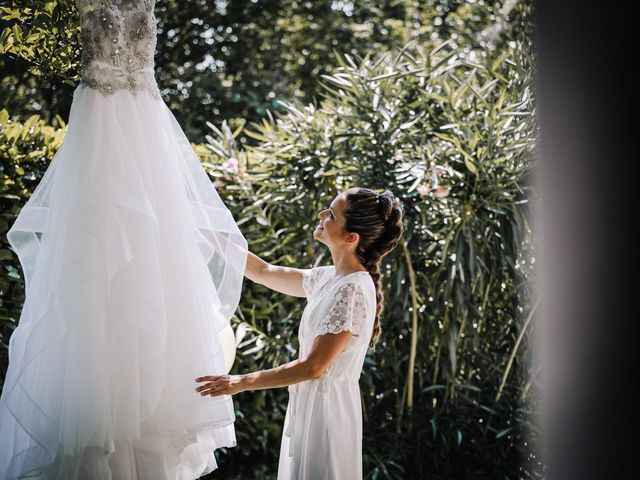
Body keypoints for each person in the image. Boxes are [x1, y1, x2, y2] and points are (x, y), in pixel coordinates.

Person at [0, 1, 247, 478]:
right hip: (102, 120)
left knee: (150, 256)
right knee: (98, 256)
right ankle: (99, 429)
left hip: (145, 121)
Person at [195, 187, 405, 479]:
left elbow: (313, 367)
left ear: (350, 237)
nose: (322, 215)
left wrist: (239, 383)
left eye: (331, 214)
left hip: (328, 415)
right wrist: (197, 227)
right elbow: (264, 271)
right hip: (310, 407)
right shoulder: (329, 277)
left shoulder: (353, 290)